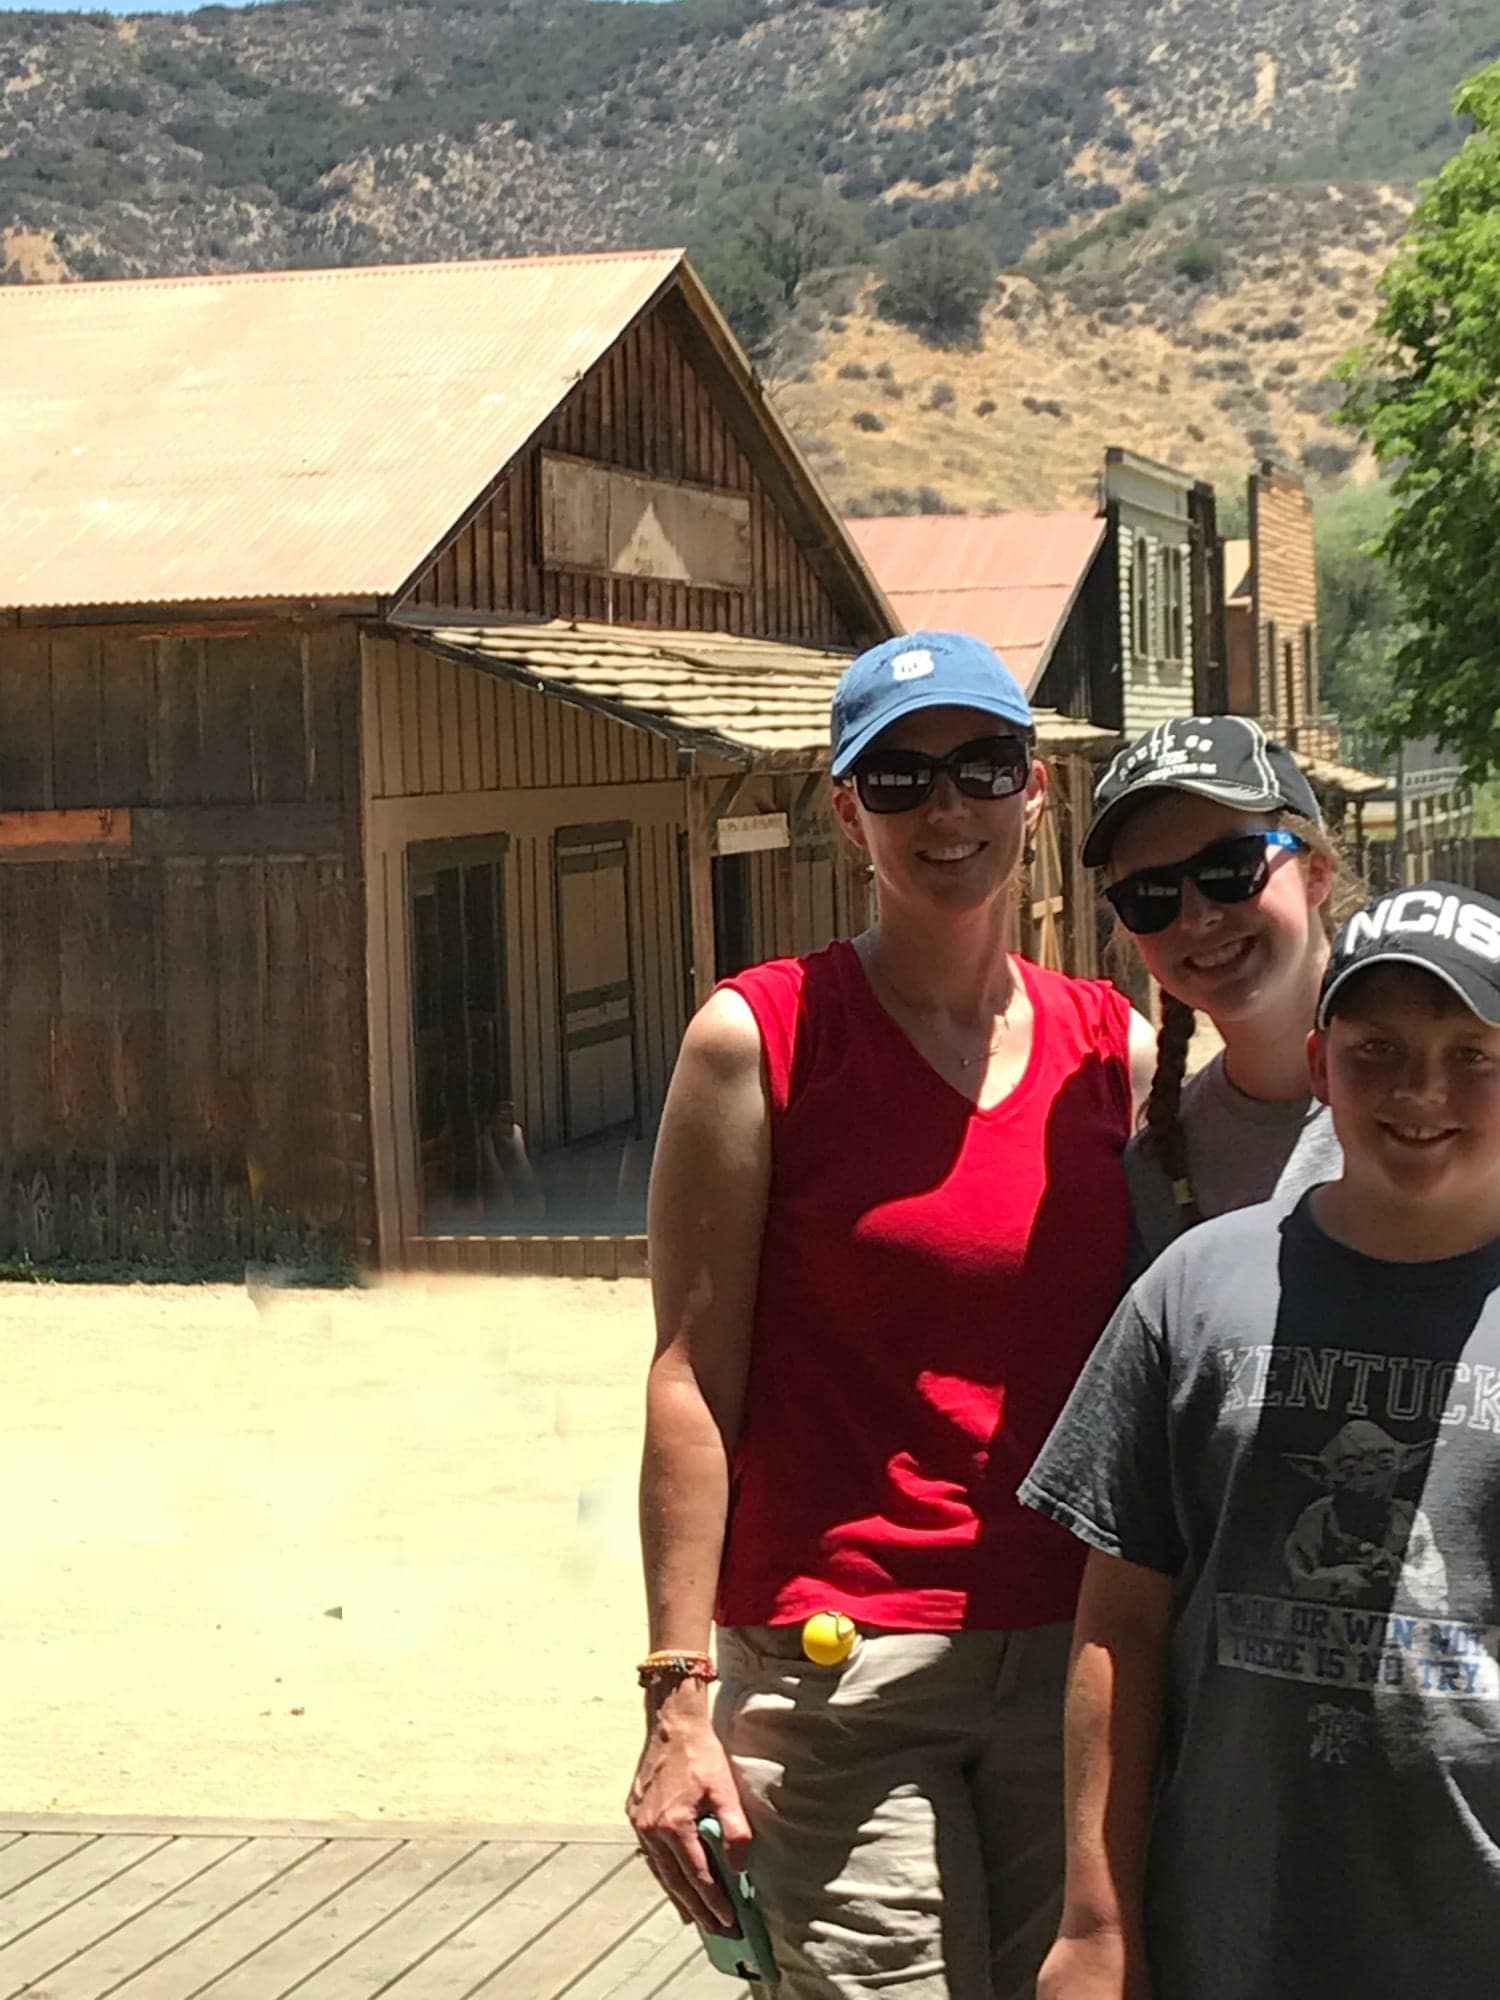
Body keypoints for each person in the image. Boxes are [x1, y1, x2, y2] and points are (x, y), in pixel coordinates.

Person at [628, 631, 1155, 1999]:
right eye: (901, 778)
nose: (947, 809)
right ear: (846, 808)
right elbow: (690, 1377)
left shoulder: (1118, 1049)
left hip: (1073, 1663)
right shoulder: (762, 1039)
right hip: (839, 1662)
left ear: (1034, 795)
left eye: (981, 769)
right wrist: (676, 1694)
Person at [1021, 881, 1500, 1999]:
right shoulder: (1196, 1290)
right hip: (1229, 1926)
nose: (1421, 1089)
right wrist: (1096, 1916)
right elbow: (1119, 1627)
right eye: (1376, 1047)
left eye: (1472, 1053)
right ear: (1321, 1066)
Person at [1081, 715, 1363, 1273]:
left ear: (1317, 872)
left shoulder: (1454, 1100)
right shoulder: (1161, 1166)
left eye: (1230, 868)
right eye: (1153, 893)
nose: (1198, 916)